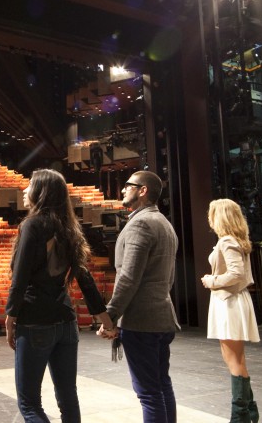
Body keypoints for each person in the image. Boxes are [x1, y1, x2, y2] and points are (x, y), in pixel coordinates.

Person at [5, 168, 114, 423]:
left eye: (29, 184)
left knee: (29, 403)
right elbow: (86, 281)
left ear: (41, 191)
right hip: (67, 324)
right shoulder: (69, 227)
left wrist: (11, 317)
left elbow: (19, 278)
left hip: (34, 323)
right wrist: (106, 320)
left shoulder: (32, 224)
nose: (24, 189)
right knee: (68, 396)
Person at [97, 170, 180, 423]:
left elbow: (128, 278)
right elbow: (169, 278)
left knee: (149, 393)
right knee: (161, 386)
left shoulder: (141, 224)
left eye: (128, 186)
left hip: (142, 322)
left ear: (142, 190)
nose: (122, 190)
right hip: (162, 316)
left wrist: (110, 316)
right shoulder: (164, 224)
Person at [200, 199, 260, 423]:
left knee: (234, 359)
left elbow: (236, 274)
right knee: (235, 358)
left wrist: (211, 280)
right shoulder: (234, 240)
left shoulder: (227, 241)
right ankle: (249, 411)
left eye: (212, 213)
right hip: (230, 301)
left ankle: (241, 416)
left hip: (229, 301)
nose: (209, 218)